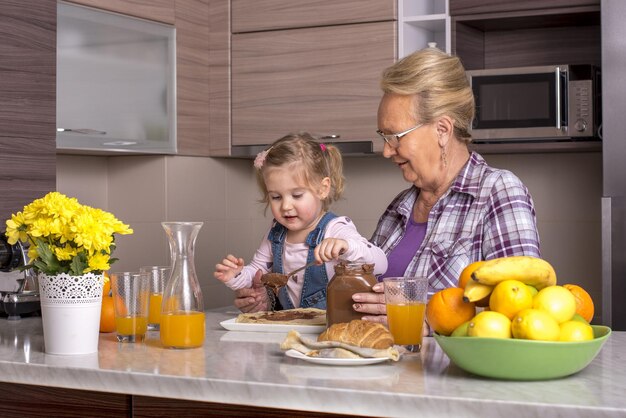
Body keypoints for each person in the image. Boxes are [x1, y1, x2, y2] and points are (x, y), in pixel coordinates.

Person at [351, 47, 541, 323]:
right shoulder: (399, 207)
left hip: (445, 367)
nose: (386, 151)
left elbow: (521, 310)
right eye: (384, 136)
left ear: (442, 130)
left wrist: (424, 315)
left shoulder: (499, 192)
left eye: (395, 136)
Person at [214, 132, 387, 312]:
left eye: (297, 195)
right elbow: (257, 274)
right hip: (292, 326)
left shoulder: (335, 229)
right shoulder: (276, 233)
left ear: (322, 189)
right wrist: (236, 275)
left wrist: (347, 247)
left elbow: (381, 263)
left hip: (333, 327)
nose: (286, 206)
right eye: (276, 197)